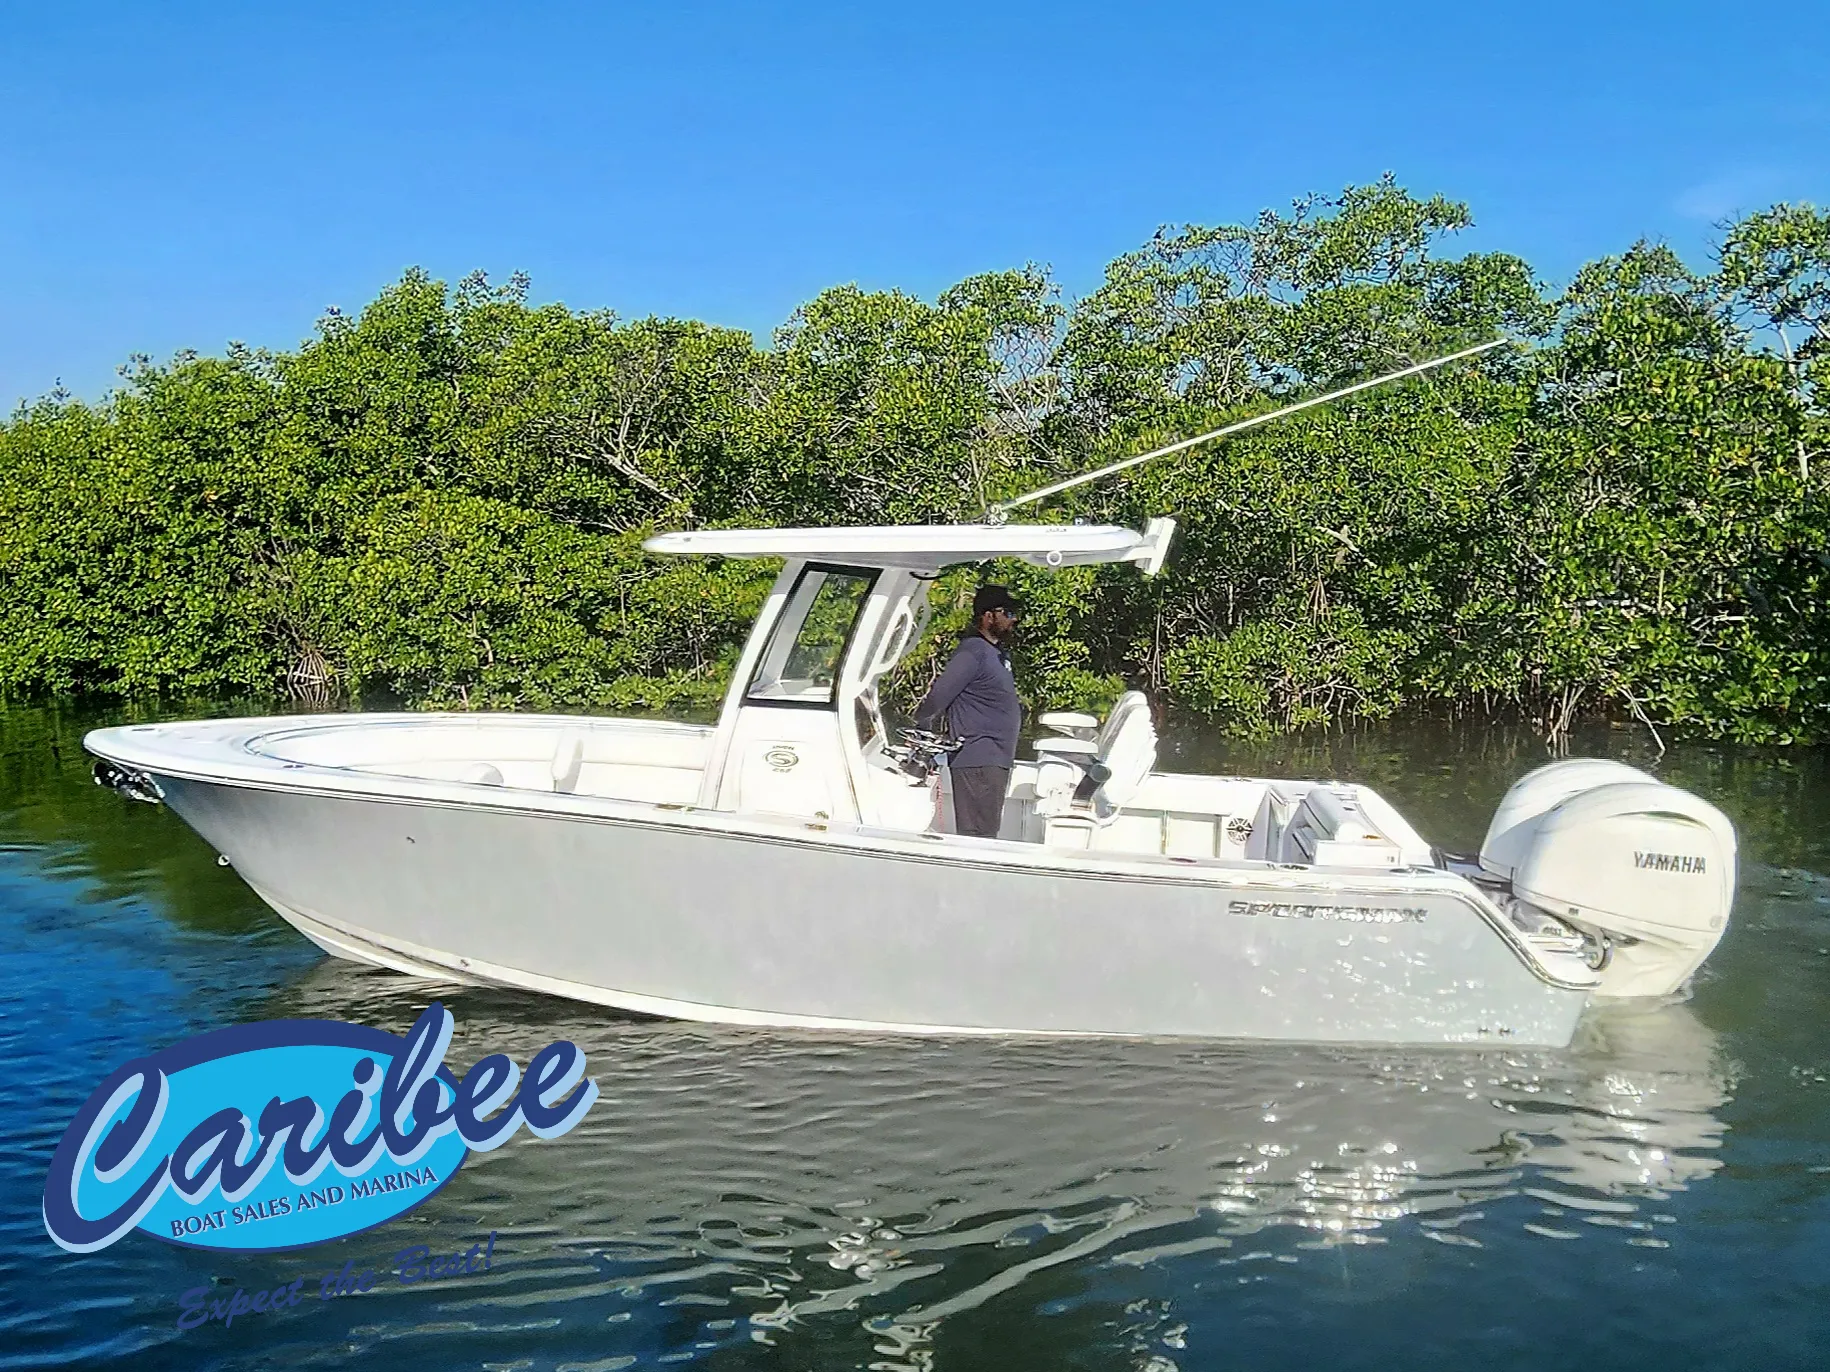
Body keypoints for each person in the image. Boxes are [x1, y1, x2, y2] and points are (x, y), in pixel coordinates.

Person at [915, 585, 1022, 838]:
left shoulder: (997, 654)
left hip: (994, 759)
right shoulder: (973, 650)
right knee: (977, 837)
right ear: (988, 616)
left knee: (987, 833)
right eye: (1007, 612)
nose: (1014, 619)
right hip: (977, 757)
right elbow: (939, 695)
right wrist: (922, 728)